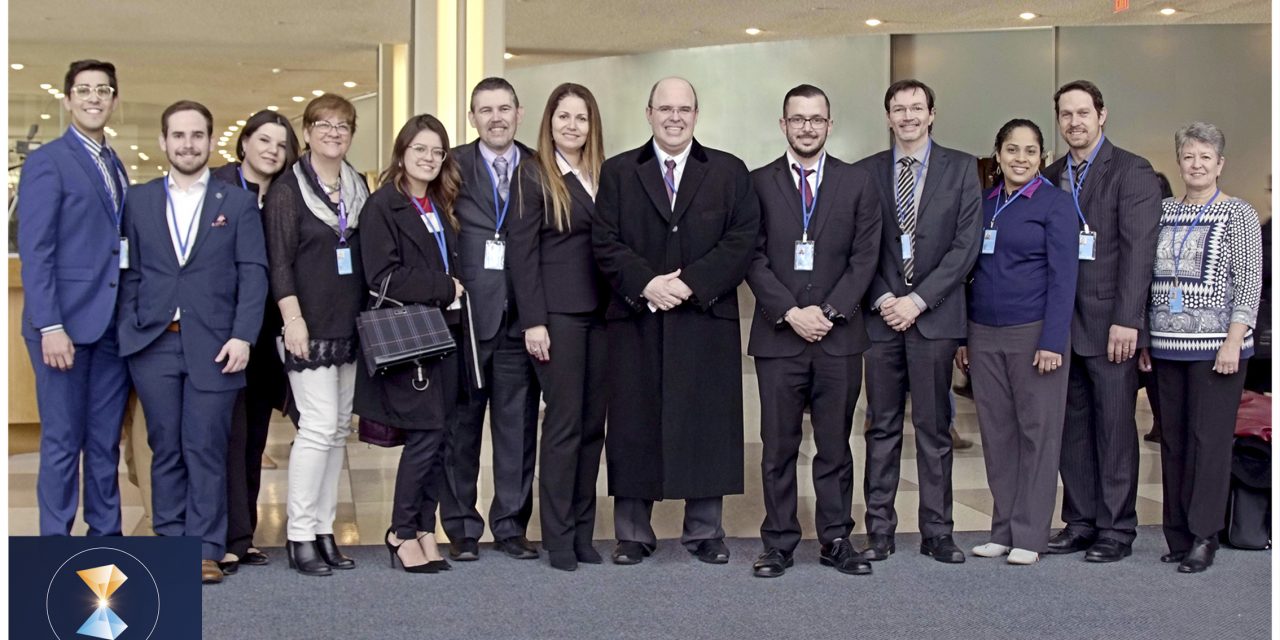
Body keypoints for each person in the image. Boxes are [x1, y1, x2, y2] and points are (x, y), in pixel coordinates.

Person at [593, 77, 760, 565]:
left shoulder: (729, 171)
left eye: (684, 109)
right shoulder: (620, 171)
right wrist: (648, 284)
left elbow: (742, 238)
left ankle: (705, 532)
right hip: (636, 317)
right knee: (633, 424)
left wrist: (687, 284)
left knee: (706, 423)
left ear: (696, 114)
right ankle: (633, 533)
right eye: (665, 108)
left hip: (703, 317)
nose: (674, 117)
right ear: (648, 113)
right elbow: (605, 241)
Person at [117, 100, 268, 585]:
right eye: (178, 135)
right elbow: (129, 273)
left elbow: (254, 274)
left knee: (206, 447)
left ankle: (206, 547)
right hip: (154, 344)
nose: (187, 144)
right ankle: (172, 539)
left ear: (211, 141)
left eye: (197, 135)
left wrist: (244, 335)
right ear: (164, 142)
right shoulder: (137, 201)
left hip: (217, 346)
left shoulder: (237, 203)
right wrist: (131, 332)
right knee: (166, 448)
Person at [745, 84, 880, 578]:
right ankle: (778, 541)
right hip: (779, 338)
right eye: (797, 119)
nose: (807, 127)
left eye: (816, 119)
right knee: (777, 446)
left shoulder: (857, 182)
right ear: (783, 125)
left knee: (835, 444)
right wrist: (791, 312)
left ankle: (836, 538)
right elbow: (752, 257)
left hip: (839, 337)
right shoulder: (757, 183)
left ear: (829, 123)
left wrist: (829, 310)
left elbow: (866, 257)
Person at [853, 79, 981, 564]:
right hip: (882, 319)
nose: (907, 116)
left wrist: (920, 300)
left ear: (931, 114)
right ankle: (879, 530)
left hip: (935, 318)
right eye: (897, 108)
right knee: (880, 427)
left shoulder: (962, 168)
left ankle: (938, 531)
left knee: (934, 428)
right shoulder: (865, 172)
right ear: (887, 117)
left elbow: (965, 246)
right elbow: (863, 244)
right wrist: (887, 296)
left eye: (916, 108)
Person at [1041, 80, 1162, 563]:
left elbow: (1138, 252)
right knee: (1071, 430)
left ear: (1102, 115)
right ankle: (1081, 521)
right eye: (1066, 114)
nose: (1074, 122)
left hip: (1112, 325)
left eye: (1083, 113)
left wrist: (1128, 319)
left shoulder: (1132, 171)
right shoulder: (1050, 176)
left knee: (1114, 428)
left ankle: (1116, 528)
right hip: (1062, 328)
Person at [1138, 122, 1262, 573]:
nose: (1196, 165)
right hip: (1167, 347)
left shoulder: (1239, 215)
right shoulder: (1163, 211)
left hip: (1217, 351)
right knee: (1172, 442)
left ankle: (1204, 535)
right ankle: (1177, 533)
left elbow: (1249, 286)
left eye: (1205, 157)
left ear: (1220, 164)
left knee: (1208, 442)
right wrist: (1147, 338)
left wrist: (1233, 340)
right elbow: (1146, 280)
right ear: (1179, 162)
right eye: (1189, 156)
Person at [955, 119, 1078, 566]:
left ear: (1041, 157)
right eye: (1012, 149)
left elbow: (1065, 279)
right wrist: (966, 335)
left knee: (1038, 435)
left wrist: (1052, 341)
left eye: (1030, 151)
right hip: (984, 334)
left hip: (1034, 334)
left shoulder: (1055, 204)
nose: (1020, 158)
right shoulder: (985, 204)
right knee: (998, 435)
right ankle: (1002, 529)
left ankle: (1030, 533)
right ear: (998, 153)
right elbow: (970, 274)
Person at [18, 59, 131, 537]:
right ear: (67, 99)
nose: (93, 98)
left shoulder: (114, 162)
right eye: (83, 90)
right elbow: (36, 248)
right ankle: (54, 546)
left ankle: (105, 539)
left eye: (103, 90)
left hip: (110, 327)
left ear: (113, 100)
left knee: (104, 442)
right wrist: (49, 325)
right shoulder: (48, 161)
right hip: (62, 327)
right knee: (63, 443)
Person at [262, 94, 367, 576]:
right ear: (306, 132)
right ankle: (299, 533)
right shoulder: (288, 189)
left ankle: (324, 530)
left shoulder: (357, 184)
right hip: (307, 326)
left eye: (343, 125)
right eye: (323, 124)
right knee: (318, 427)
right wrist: (292, 319)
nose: (334, 132)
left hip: (350, 324)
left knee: (337, 432)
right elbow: (278, 261)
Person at [355, 114, 464, 574]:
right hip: (411, 338)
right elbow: (382, 278)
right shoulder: (383, 206)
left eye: (437, 152)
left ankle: (423, 529)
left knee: (441, 439)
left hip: (445, 337)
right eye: (420, 149)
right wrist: (446, 287)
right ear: (402, 152)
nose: (429, 158)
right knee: (425, 437)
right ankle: (401, 530)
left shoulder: (438, 205)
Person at [509, 83, 609, 571]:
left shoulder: (600, 176)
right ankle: (558, 537)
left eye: (582, 118)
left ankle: (584, 532)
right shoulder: (534, 175)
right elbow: (522, 257)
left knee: (593, 428)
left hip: (603, 319)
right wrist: (534, 322)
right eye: (564, 117)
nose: (572, 126)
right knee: (565, 427)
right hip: (559, 319)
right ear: (548, 123)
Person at [440, 77, 541, 561]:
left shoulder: (541, 168)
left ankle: (510, 525)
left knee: (517, 427)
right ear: (472, 118)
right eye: (485, 110)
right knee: (461, 428)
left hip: (521, 318)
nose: (496, 117)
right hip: (465, 319)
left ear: (519, 113)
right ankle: (461, 527)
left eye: (504, 109)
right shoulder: (450, 166)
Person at [210, 109, 300, 573]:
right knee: (229, 436)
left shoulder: (285, 195)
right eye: (264, 140)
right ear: (243, 142)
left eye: (282, 145)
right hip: (227, 333)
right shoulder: (217, 187)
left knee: (254, 439)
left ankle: (242, 537)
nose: (272, 150)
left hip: (269, 337)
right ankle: (223, 536)